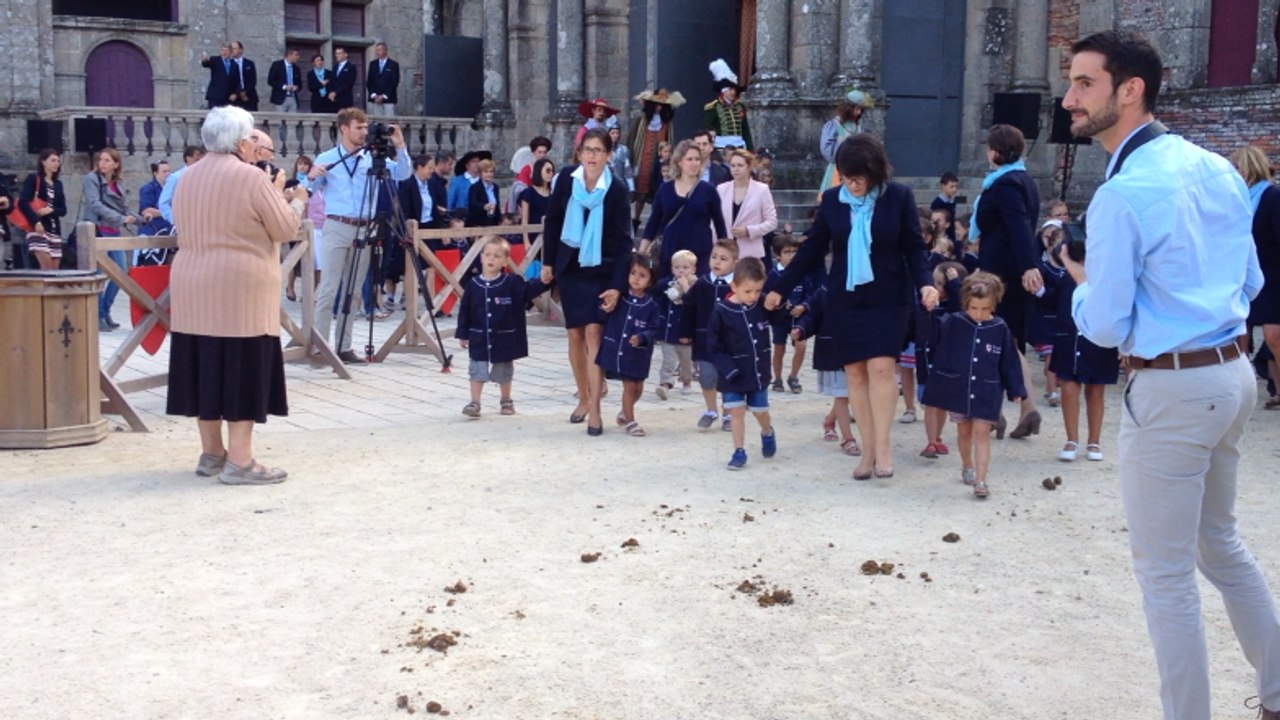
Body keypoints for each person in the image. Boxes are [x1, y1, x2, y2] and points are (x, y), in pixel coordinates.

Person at [1058, 30, 1280, 719]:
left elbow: (1104, 325)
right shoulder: (1215, 167)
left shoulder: (1122, 193)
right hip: (1231, 374)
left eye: (1084, 83)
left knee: (1166, 577)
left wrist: (1079, 283)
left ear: (1130, 91)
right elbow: (1251, 281)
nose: (1068, 99)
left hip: (1175, 385)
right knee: (1221, 546)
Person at [765, 134, 938, 479]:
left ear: (874, 172)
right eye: (845, 177)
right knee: (855, 373)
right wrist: (779, 289)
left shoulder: (898, 196)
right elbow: (811, 250)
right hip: (846, 297)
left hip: (889, 296)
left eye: (858, 178)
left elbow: (914, 248)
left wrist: (926, 283)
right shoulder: (832, 201)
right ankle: (867, 451)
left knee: (882, 369)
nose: (852, 185)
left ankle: (883, 448)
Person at [166, 105, 301, 485]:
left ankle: (212, 453)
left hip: (192, 285)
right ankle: (241, 461)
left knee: (204, 367)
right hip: (240, 288)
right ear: (242, 143)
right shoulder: (251, 177)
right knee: (242, 368)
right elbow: (285, 228)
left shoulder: (186, 177)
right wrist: (296, 200)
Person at [540, 127, 633, 436]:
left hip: (602, 268)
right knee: (575, 335)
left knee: (594, 332)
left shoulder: (616, 190)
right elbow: (553, 221)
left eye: (598, 150)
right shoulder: (567, 179)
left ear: (608, 155)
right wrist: (548, 262)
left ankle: (595, 408)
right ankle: (583, 395)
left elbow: (623, 242)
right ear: (580, 153)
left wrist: (617, 285)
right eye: (588, 150)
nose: (592, 156)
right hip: (571, 267)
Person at [307, 107, 412, 364]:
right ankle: (320, 346)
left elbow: (403, 173)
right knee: (329, 288)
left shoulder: (371, 158)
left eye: (366, 127)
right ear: (344, 129)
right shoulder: (328, 157)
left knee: (353, 291)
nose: (364, 132)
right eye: (359, 128)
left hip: (364, 227)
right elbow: (308, 187)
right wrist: (309, 175)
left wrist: (400, 147)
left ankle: (344, 346)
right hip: (337, 225)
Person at [921, 272, 1026, 498]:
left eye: (985, 309)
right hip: (958, 388)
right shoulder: (955, 322)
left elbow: (1009, 360)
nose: (979, 313)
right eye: (974, 308)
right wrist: (927, 312)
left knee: (981, 433)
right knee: (964, 432)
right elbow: (934, 337)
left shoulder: (1000, 327)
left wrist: (1015, 388)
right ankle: (967, 465)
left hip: (987, 391)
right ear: (966, 304)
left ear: (994, 305)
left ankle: (981, 480)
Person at [970, 123, 1043, 439]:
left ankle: (1022, 408)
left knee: (1003, 342)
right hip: (1006, 270)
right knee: (1005, 343)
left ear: (996, 151)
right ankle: (1000, 413)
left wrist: (1029, 265)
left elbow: (1019, 226)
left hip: (1003, 274)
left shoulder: (1006, 185)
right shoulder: (1022, 180)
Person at [1039, 239, 1119, 462]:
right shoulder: (1066, 276)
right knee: (1069, 386)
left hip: (1097, 338)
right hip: (1069, 336)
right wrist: (1039, 291)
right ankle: (1071, 439)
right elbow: (1053, 300)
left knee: (1096, 389)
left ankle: (1094, 441)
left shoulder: (1105, 276)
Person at [456, 237, 551, 418]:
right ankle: (475, 402)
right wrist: (463, 334)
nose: (491, 259)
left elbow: (528, 291)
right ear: (481, 257)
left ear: (505, 261)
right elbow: (465, 311)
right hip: (479, 336)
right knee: (477, 368)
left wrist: (543, 281)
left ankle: (506, 399)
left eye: (497, 256)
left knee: (504, 370)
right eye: (488, 255)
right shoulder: (473, 284)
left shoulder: (512, 282)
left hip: (504, 337)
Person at [709, 256, 774, 469]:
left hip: (757, 372)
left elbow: (780, 318)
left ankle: (767, 431)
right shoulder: (721, 311)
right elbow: (713, 345)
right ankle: (739, 451)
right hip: (733, 375)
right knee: (736, 412)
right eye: (748, 291)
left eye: (757, 291)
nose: (753, 296)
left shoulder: (762, 303)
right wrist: (727, 369)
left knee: (760, 411)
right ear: (734, 286)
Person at [1229, 144, 1280, 409]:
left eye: (1237, 167)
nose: (1234, 172)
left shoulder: (1272, 196)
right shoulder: (1237, 200)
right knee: (1240, 336)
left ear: (1249, 167)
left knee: (1274, 338)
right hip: (1242, 275)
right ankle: (1240, 388)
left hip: (1272, 276)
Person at [640, 139, 728, 276]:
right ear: (679, 161)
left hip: (700, 253)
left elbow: (720, 225)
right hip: (670, 251)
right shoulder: (665, 189)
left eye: (697, 159)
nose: (694, 163)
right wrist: (641, 253)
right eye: (689, 159)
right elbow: (653, 223)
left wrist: (724, 255)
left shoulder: (708, 190)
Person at [595, 253, 661, 437]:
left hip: (639, 354)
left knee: (638, 387)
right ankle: (631, 421)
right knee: (629, 386)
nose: (636, 278)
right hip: (619, 350)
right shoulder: (619, 298)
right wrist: (604, 307)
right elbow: (602, 315)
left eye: (642, 275)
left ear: (651, 280)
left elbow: (654, 328)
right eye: (633, 273)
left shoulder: (652, 306)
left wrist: (642, 338)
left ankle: (625, 411)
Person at [791, 285, 860, 457]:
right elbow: (812, 317)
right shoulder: (824, 291)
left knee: (849, 393)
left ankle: (829, 421)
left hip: (858, 347)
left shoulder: (865, 286)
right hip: (834, 350)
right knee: (842, 394)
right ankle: (848, 438)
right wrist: (801, 329)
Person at [679, 239, 739, 431]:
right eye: (714, 257)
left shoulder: (737, 286)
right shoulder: (702, 283)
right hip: (704, 339)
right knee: (706, 376)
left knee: (728, 377)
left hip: (730, 342)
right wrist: (685, 331)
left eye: (724, 259)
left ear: (735, 262)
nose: (717, 262)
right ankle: (711, 410)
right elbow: (689, 307)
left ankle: (728, 413)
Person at [82, 148, 138, 332]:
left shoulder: (118, 183)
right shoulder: (92, 179)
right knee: (99, 274)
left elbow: (125, 208)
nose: (102, 163)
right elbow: (94, 204)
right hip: (98, 231)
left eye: (107, 160)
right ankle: (98, 315)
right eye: (101, 160)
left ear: (116, 164)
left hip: (113, 231)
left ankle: (105, 310)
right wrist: (120, 219)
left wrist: (140, 218)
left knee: (120, 273)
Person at [916, 261, 967, 459]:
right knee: (931, 404)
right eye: (933, 282)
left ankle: (937, 438)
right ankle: (931, 441)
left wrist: (955, 286)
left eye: (940, 283)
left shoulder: (954, 309)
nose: (935, 287)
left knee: (942, 405)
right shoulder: (926, 304)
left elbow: (959, 307)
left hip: (946, 364)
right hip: (927, 361)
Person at [626, 88, 684, 236]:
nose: (659, 107)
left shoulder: (667, 122)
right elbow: (632, 138)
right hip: (643, 160)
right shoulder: (641, 119)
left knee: (658, 191)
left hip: (659, 162)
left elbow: (670, 139)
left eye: (662, 105)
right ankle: (636, 220)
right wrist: (631, 157)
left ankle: (657, 223)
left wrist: (669, 159)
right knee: (641, 191)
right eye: (657, 104)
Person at [766, 233, 817, 394]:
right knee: (779, 348)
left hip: (798, 316)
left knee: (801, 345)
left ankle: (793, 376)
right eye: (787, 252)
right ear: (778, 255)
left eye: (794, 251)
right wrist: (781, 306)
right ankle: (777, 378)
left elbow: (810, 294)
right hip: (780, 318)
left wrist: (803, 306)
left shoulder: (802, 273)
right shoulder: (773, 275)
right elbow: (767, 295)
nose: (791, 255)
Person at [717, 148, 777, 260]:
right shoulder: (721, 189)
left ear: (749, 167)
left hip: (751, 252)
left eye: (740, 165)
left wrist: (749, 231)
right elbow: (715, 221)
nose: (736, 169)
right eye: (733, 166)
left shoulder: (762, 190)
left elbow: (772, 222)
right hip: (726, 252)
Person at [654, 248, 698, 399]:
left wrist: (685, 286)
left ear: (693, 269)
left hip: (685, 332)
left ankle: (686, 381)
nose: (681, 271)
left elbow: (694, 302)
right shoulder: (667, 283)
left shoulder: (696, 285)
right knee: (668, 359)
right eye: (677, 267)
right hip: (668, 330)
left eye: (685, 267)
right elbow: (656, 292)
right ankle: (665, 384)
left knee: (686, 360)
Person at [15, 149, 67, 271]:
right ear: (43, 162)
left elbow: (63, 210)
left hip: (54, 230)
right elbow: (23, 202)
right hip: (38, 228)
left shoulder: (58, 184)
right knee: (47, 269)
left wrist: (51, 210)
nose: (56, 163)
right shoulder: (34, 179)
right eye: (53, 160)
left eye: (58, 161)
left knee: (54, 272)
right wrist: (36, 222)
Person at [819, 89, 874, 197]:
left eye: (861, 109)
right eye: (857, 109)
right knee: (835, 198)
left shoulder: (858, 126)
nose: (859, 112)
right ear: (848, 108)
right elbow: (827, 150)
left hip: (858, 170)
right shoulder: (834, 125)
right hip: (838, 170)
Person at [704, 58, 752, 150]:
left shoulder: (740, 106)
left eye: (734, 89)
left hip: (739, 147)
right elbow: (707, 130)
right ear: (724, 91)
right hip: (721, 148)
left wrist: (750, 149)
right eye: (730, 89)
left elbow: (745, 130)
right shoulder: (713, 107)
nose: (733, 92)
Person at [159, 145, 206, 226]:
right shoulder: (175, 178)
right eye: (197, 159)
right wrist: (174, 221)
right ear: (188, 158)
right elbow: (163, 203)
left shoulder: (205, 178)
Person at [518, 158, 555, 246]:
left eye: (552, 171)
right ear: (539, 171)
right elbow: (524, 219)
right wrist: (526, 242)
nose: (551, 173)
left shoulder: (553, 193)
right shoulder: (528, 193)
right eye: (548, 170)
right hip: (533, 237)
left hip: (550, 237)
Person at [448, 150, 489, 215]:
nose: (477, 164)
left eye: (478, 161)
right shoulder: (457, 181)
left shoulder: (484, 181)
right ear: (467, 165)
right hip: (462, 218)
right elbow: (450, 202)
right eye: (473, 161)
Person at [366, 42, 400, 117]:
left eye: (379, 50)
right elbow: (369, 81)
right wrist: (374, 95)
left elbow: (394, 82)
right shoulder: (373, 64)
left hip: (389, 98)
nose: (377, 52)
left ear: (385, 51)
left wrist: (384, 96)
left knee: (389, 121)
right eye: (376, 50)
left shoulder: (393, 65)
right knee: (378, 121)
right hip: (376, 99)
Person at [467, 159, 501, 227]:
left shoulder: (495, 187)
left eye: (491, 172)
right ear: (480, 174)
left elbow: (497, 207)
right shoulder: (474, 187)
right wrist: (484, 206)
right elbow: (473, 204)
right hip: (478, 224)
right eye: (486, 172)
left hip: (493, 223)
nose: (489, 174)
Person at [267, 48, 302, 112]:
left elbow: (300, 85)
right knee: (280, 117)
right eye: (296, 55)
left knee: (293, 118)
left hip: (293, 98)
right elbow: (271, 81)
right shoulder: (277, 65)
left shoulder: (296, 68)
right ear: (289, 55)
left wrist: (296, 87)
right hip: (280, 98)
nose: (298, 57)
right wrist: (284, 87)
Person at [228, 41, 258, 111]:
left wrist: (245, 92)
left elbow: (253, 80)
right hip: (234, 97)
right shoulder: (229, 64)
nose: (232, 50)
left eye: (234, 48)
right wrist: (237, 93)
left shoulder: (249, 63)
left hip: (249, 97)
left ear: (241, 50)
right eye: (231, 49)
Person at [930, 171, 959, 240]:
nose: (954, 189)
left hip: (951, 234)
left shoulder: (952, 201)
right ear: (943, 186)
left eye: (956, 187)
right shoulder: (937, 203)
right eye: (952, 187)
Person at [607, 127, 634, 194]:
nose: (615, 135)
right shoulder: (602, 149)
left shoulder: (623, 149)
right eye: (613, 133)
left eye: (617, 133)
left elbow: (627, 170)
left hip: (619, 183)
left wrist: (631, 187)